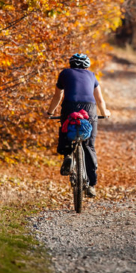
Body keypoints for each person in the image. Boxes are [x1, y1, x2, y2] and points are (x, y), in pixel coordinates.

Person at [46, 53, 111, 198]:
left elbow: (58, 96)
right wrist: (104, 112)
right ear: (87, 65)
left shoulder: (64, 73)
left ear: (71, 64)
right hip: (89, 108)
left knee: (65, 129)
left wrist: (49, 112)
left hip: (69, 106)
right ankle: (91, 185)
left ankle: (67, 154)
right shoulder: (92, 75)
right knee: (89, 145)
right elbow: (99, 99)